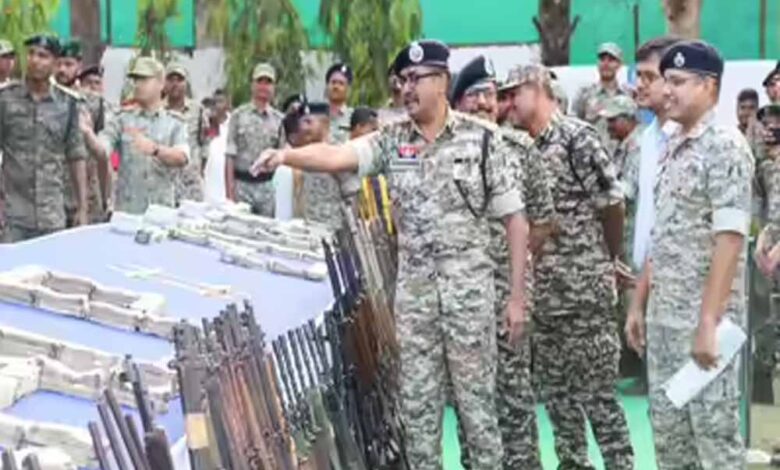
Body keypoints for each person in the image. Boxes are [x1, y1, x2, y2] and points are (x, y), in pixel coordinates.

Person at [252, 39, 530, 469]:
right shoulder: (394, 142)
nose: (407, 89)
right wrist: (286, 155)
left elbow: (515, 221)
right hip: (416, 305)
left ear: (443, 82)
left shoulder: (483, 141)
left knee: (478, 419)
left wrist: (516, 299)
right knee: (418, 419)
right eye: (403, 80)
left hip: (470, 302)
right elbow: (338, 154)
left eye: (417, 79)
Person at [627, 40, 751, 470]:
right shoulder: (669, 146)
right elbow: (663, 233)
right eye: (666, 81)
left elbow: (730, 239)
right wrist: (639, 303)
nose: (668, 90)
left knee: (715, 447)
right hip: (665, 326)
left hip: (705, 328)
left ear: (708, 86)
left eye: (678, 82)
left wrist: (708, 323)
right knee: (671, 446)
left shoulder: (725, 146)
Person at [510, 63, 634, 470]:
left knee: (599, 397)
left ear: (539, 88)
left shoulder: (576, 138)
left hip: (584, 294)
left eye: (516, 93)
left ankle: (620, 464)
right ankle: (573, 464)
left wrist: (607, 258)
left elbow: (612, 204)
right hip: (545, 298)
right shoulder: (522, 148)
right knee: (558, 399)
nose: (510, 103)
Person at [454, 57, 557, 470]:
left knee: (515, 399)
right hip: (460, 300)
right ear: (457, 103)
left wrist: (517, 271)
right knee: (471, 401)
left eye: (490, 94)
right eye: (473, 95)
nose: (483, 103)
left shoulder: (521, 149)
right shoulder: (440, 151)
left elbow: (543, 220)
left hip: (506, 298)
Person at [0, 35, 88, 242]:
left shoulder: (67, 104)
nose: (35, 60)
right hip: (13, 214)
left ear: (55, 63)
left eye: (43, 56)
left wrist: (82, 208)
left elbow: (76, 155)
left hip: (52, 214)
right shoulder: (5, 99)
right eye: (31, 54)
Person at [81, 57, 189, 215]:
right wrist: (88, 133)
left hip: (161, 213)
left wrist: (156, 150)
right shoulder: (121, 119)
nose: (137, 85)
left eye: (144, 79)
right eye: (135, 80)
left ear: (160, 83)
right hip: (128, 212)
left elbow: (182, 157)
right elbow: (102, 151)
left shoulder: (174, 123)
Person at [225, 62, 283, 216]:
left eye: (268, 82)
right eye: (260, 81)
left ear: (274, 87)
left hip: (267, 187)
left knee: (266, 229)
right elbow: (230, 155)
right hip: (241, 186)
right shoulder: (238, 115)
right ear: (252, 85)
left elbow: (283, 155)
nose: (264, 86)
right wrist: (230, 193)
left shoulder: (279, 120)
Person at [572, 42, 631, 152]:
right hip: (591, 154)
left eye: (611, 60)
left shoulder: (628, 95)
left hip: (620, 156)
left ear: (619, 64)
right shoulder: (585, 94)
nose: (606, 64)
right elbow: (573, 127)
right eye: (602, 59)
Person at [293, 101, 344, 230]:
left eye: (309, 122)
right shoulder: (305, 149)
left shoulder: (339, 151)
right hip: (308, 224)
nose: (304, 128)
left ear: (324, 123)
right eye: (303, 122)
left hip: (332, 225)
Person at [164, 62, 205, 203]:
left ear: (186, 83)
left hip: (191, 182)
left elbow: (204, 141)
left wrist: (199, 169)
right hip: (166, 181)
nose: (175, 84)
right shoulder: (158, 110)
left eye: (179, 80)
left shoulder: (197, 110)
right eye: (171, 80)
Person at [602, 94, 640, 178]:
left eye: (612, 120)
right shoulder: (623, 143)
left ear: (628, 119)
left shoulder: (638, 146)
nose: (608, 126)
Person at [325, 63, 353, 143]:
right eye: (333, 82)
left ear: (348, 90)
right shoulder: (317, 115)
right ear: (327, 86)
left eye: (341, 83)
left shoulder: (353, 117)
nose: (336, 87)